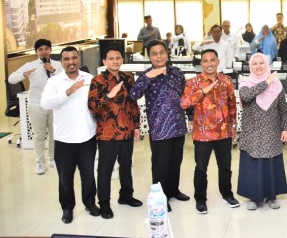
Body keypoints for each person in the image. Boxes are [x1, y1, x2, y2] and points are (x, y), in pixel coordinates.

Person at [40, 46, 98, 224]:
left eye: (74, 58)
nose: (71, 62)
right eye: (66, 59)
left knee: (88, 174)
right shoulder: (55, 82)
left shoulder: (89, 78)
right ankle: (67, 208)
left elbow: (96, 103)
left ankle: (89, 202)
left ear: (78, 60)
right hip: (64, 139)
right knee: (65, 176)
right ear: (61, 62)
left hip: (87, 136)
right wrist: (68, 91)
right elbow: (45, 103)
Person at [130, 40, 189, 211]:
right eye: (154, 54)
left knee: (175, 161)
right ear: (149, 56)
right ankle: (160, 198)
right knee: (160, 165)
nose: (159, 56)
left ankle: (173, 190)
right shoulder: (146, 75)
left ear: (167, 53)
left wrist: (191, 116)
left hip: (178, 125)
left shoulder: (176, 73)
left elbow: (186, 96)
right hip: (159, 128)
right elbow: (133, 95)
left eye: (161, 52)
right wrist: (148, 77)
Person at [180, 49, 239, 214]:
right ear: (201, 64)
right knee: (201, 168)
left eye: (212, 60)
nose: (209, 64)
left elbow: (232, 104)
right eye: (205, 61)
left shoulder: (226, 81)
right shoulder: (193, 82)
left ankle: (227, 194)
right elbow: (184, 103)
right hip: (202, 134)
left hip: (223, 132)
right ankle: (200, 199)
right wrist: (202, 92)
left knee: (225, 167)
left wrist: (233, 125)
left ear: (218, 62)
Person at [87, 47, 142, 219]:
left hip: (126, 130)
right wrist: (109, 96)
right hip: (107, 133)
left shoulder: (128, 77)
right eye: (111, 58)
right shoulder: (98, 80)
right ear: (104, 61)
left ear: (122, 60)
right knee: (105, 169)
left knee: (126, 166)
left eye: (118, 58)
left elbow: (133, 103)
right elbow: (93, 106)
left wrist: (137, 125)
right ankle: (104, 203)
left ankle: (126, 196)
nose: (115, 61)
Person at [237, 53, 287, 210]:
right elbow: (246, 96)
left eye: (261, 63)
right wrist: (266, 82)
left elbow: (283, 109)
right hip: (252, 132)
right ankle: (253, 197)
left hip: (271, 131)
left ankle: (272, 196)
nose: (258, 66)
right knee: (253, 164)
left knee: (270, 163)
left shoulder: (277, 85)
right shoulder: (245, 84)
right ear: (250, 66)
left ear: (266, 65)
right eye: (255, 64)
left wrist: (285, 128)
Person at [8, 38, 62, 175]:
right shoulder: (30, 65)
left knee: (54, 133)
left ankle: (53, 158)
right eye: (40, 49)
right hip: (37, 104)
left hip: (53, 104)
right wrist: (24, 74)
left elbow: (64, 80)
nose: (43, 52)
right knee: (38, 135)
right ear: (36, 52)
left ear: (50, 50)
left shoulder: (57, 64)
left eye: (46, 49)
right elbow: (11, 79)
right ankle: (40, 162)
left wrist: (53, 70)